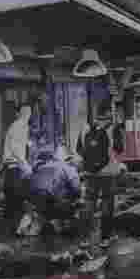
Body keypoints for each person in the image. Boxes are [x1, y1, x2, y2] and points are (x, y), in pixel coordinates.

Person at [76, 104, 122, 242]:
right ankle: (105, 238)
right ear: (109, 113)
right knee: (107, 204)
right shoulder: (113, 128)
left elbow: (79, 150)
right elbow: (119, 149)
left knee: (89, 204)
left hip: (90, 173)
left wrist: (90, 162)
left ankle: (84, 239)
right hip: (108, 173)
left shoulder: (85, 128)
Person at [28, 149, 81, 232]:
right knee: (77, 202)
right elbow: (76, 189)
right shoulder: (69, 168)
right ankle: (63, 224)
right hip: (54, 204)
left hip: (36, 204)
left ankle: (44, 222)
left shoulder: (39, 167)